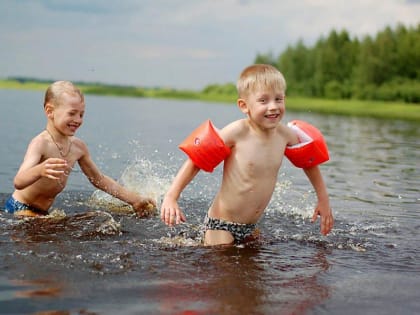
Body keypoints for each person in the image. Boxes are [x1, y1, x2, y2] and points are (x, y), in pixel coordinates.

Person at [160, 64, 333, 246]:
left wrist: (323, 199)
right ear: (244, 106)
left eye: (278, 99)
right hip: (221, 225)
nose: (273, 107)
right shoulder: (237, 132)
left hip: (250, 227)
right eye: (263, 101)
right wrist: (172, 196)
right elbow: (196, 160)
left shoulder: (285, 135)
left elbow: (309, 162)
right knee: (223, 262)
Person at [3, 80, 156, 217]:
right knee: (59, 227)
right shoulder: (41, 143)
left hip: (42, 213)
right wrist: (40, 170)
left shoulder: (78, 147)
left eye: (81, 115)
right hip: (19, 208)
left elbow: (99, 179)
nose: (77, 120)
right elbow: (19, 181)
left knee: (92, 219)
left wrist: (135, 200)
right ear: (50, 111)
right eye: (72, 113)